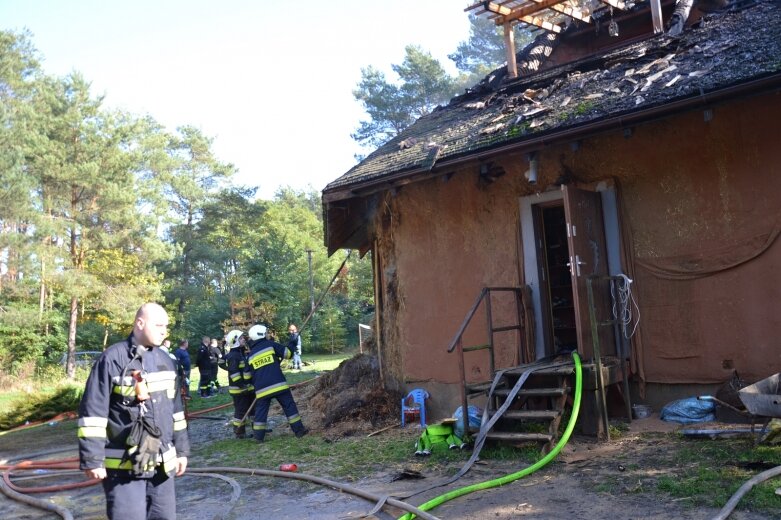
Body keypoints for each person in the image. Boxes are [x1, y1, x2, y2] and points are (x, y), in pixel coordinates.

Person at [77, 303, 189, 520]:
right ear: (140, 323)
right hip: (123, 466)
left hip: (161, 463)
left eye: (166, 326)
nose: (164, 331)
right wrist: (92, 458)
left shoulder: (166, 361)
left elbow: (176, 411)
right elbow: (93, 413)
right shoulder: (112, 359)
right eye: (158, 325)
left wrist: (182, 451)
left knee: (164, 517)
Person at [246, 324, 308, 442]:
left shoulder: (250, 355)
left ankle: (258, 437)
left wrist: (254, 381)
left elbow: (246, 376)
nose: (268, 334)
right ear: (262, 334)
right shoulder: (271, 345)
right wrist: (292, 342)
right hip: (278, 385)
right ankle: (299, 431)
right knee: (289, 407)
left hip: (261, 390)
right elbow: (288, 354)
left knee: (261, 413)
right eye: (266, 333)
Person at [222, 329, 254, 438]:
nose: (243, 339)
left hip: (246, 389)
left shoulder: (239, 353)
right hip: (239, 390)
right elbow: (234, 373)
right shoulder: (234, 356)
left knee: (251, 409)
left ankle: (257, 428)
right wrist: (242, 386)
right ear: (235, 341)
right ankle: (239, 432)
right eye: (240, 338)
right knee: (241, 412)